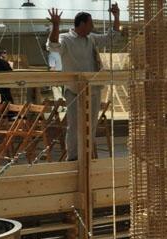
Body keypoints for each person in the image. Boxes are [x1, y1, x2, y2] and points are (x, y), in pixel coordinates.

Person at [47, 5, 122, 161]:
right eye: (90, 23)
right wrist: (55, 25)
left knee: (91, 125)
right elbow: (53, 45)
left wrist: (116, 17)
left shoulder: (91, 38)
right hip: (74, 90)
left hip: (93, 90)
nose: (92, 26)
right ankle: (73, 158)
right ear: (82, 24)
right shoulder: (65, 39)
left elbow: (112, 38)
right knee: (74, 126)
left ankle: (86, 157)